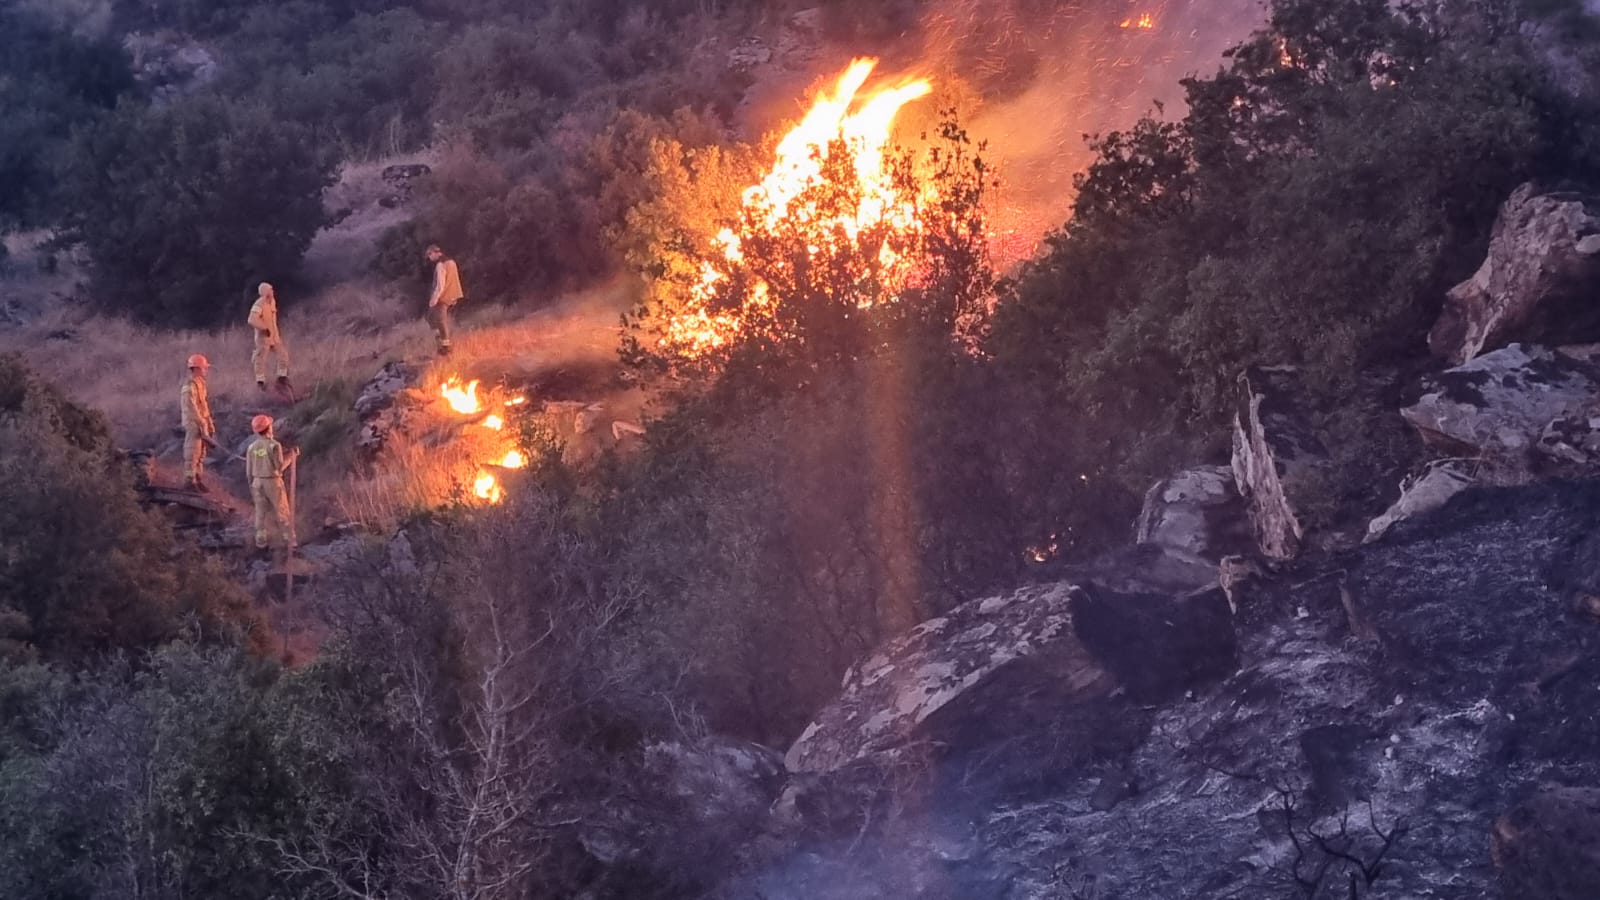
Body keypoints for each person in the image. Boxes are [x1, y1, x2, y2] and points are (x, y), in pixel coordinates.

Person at [245, 414, 299, 557]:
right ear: (268, 428)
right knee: (282, 511)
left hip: (257, 482)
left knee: (260, 513)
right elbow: (279, 467)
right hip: (273, 482)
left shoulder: (251, 447)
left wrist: (252, 485)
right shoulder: (274, 445)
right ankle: (290, 541)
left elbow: (248, 471)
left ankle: (260, 542)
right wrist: (291, 457)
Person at [179, 353, 216, 492]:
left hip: (202, 422)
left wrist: (209, 423)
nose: (206, 370)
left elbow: (203, 405)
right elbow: (191, 406)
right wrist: (201, 422)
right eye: (204, 368)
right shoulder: (189, 386)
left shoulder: (200, 384)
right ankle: (189, 481)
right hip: (193, 423)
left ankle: (198, 478)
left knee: (201, 453)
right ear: (196, 368)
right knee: (192, 451)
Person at [247, 281, 291, 395]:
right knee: (260, 359)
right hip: (263, 337)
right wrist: (263, 328)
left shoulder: (272, 302)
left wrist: (275, 333)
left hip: (274, 336)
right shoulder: (259, 304)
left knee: (283, 355)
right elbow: (251, 319)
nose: (272, 291)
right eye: (270, 290)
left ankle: (282, 378)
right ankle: (260, 382)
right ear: (265, 292)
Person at [425, 244, 464, 356]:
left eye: (429, 255)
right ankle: (442, 343)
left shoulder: (440, 265)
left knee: (440, 320)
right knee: (432, 318)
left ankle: (445, 347)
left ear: (434, 252)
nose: (429, 258)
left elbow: (440, 285)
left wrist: (434, 299)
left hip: (443, 296)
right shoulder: (451, 262)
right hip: (452, 294)